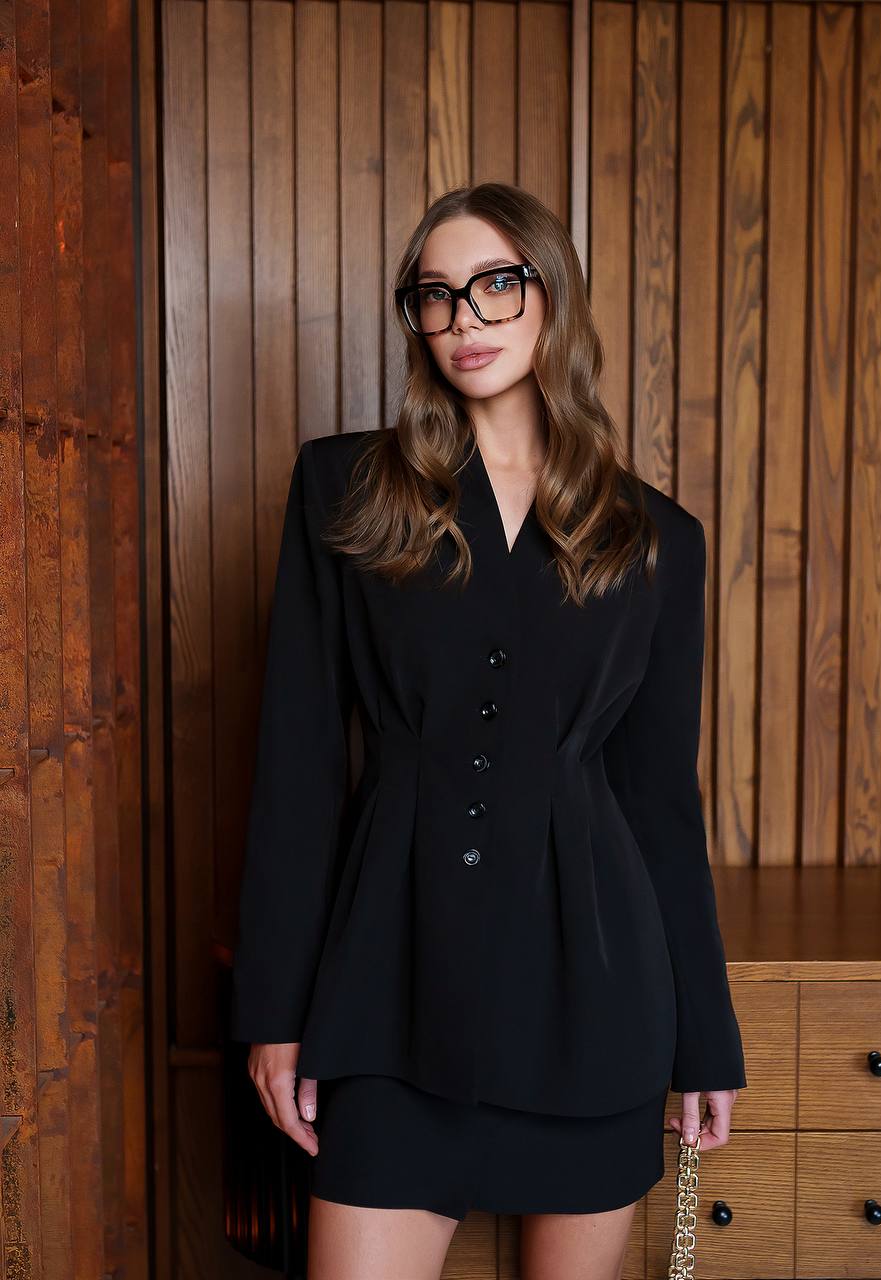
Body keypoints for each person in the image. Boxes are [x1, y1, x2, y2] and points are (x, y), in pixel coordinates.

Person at [230, 181, 746, 1280]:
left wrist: (706, 1036)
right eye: (435, 295)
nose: (463, 318)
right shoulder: (346, 488)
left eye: (494, 285)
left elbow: (658, 802)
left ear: (550, 296)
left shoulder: (656, 538)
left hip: (593, 998)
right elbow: (299, 766)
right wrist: (274, 1010)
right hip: (386, 989)